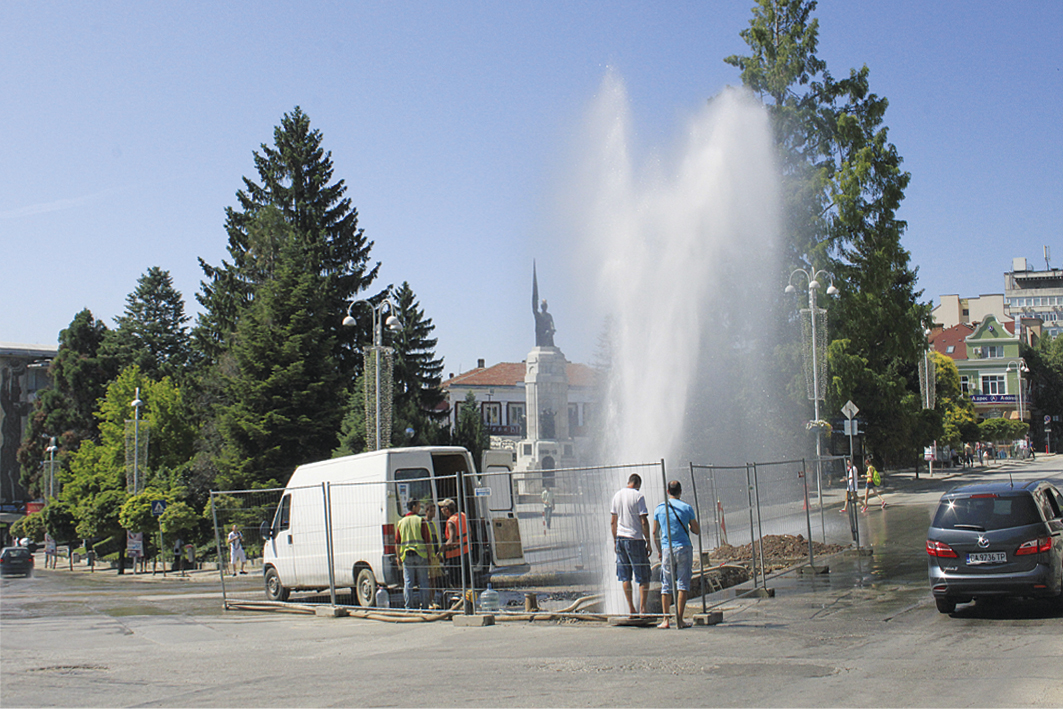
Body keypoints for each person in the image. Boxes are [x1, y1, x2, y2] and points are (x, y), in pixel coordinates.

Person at [652, 480, 700, 629]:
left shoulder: (659, 509)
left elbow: (655, 532)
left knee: (666, 584)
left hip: (667, 549)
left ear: (667, 492)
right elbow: (696, 530)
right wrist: (689, 525)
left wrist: (659, 550)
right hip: (683, 548)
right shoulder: (687, 508)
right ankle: (679, 620)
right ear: (680, 492)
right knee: (682, 584)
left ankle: (666, 620)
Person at [610, 473, 652, 617]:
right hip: (635, 539)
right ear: (638, 484)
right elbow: (644, 521)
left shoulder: (617, 495)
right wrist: (648, 542)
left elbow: (613, 521)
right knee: (643, 576)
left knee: (625, 576)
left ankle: (631, 609)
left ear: (629, 482)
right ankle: (643, 608)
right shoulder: (638, 496)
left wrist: (615, 541)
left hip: (620, 539)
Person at [395, 498, 431, 610]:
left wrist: (398, 557)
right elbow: (427, 540)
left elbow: (397, 542)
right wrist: (430, 556)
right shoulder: (420, 521)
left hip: (406, 555)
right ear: (414, 507)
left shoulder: (401, 522)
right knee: (423, 582)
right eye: (419, 506)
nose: (420, 508)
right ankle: (424, 606)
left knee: (408, 582)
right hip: (420, 555)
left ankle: (408, 607)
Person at [440, 498, 471, 593]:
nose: (441, 510)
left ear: (447, 510)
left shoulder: (451, 522)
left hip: (454, 556)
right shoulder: (463, 515)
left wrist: (442, 549)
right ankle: (469, 600)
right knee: (467, 580)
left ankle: (461, 601)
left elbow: (452, 541)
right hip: (466, 552)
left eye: (442, 508)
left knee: (457, 582)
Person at [423, 501, 443, 609]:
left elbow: (435, 540)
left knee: (434, 579)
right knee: (429, 580)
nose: (433, 513)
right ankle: (428, 601)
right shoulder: (424, 523)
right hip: (428, 557)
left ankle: (433, 600)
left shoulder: (432, 524)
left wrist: (439, 553)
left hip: (435, 556)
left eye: (434, 511)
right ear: (426, 511)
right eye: (431, 511)